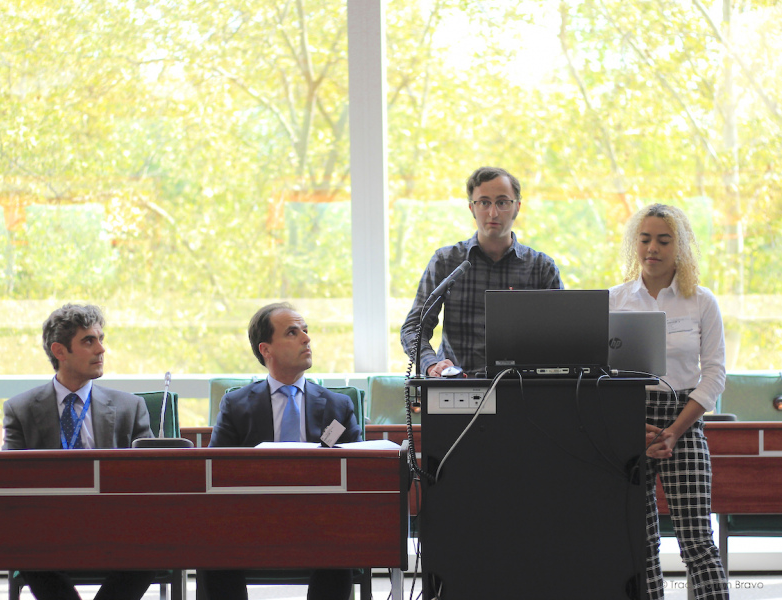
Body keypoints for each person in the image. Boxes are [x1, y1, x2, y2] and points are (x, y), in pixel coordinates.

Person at [202, 302, 362, 600]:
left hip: (321, 520)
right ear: (266, 350)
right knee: (213, 549)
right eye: (292, 332)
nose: (306, 338)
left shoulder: (337, 407)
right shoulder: (237, 405)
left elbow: (359, 471)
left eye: (305, 330)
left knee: (340, 547)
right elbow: (216, 471)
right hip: (252, 520)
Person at [610, 204, 728, 599]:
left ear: (681, 246)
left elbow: (714, 374)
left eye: (664, 239)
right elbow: (598, 375)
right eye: (645, 239)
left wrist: (675, 431)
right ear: (634, 244)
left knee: (697, 540)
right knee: (638, 544)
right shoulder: (614, 301)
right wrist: (628, 427)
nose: (653, 248)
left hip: (685, 420)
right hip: (629, 422)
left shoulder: (701, 301)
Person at [2, 303, 155, 600]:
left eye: (101, 338)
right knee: (25, 546)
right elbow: (11, 479)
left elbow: (149, 476)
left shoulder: (130, 407)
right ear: (59, 351)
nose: (101, 349)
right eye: (89, 341)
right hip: (48, 527)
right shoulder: (20, 410)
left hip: (115, 525)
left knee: (154, 548)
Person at [400, 166, 563, 376]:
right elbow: (414, 328)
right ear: (471, 208)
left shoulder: (542, 268)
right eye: (484, 202)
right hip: (457, 386)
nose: (493, 212)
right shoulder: (446, 262)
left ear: (517, 207)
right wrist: (432, 365)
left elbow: (560, 338)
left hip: (521, 389)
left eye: (502, 202)